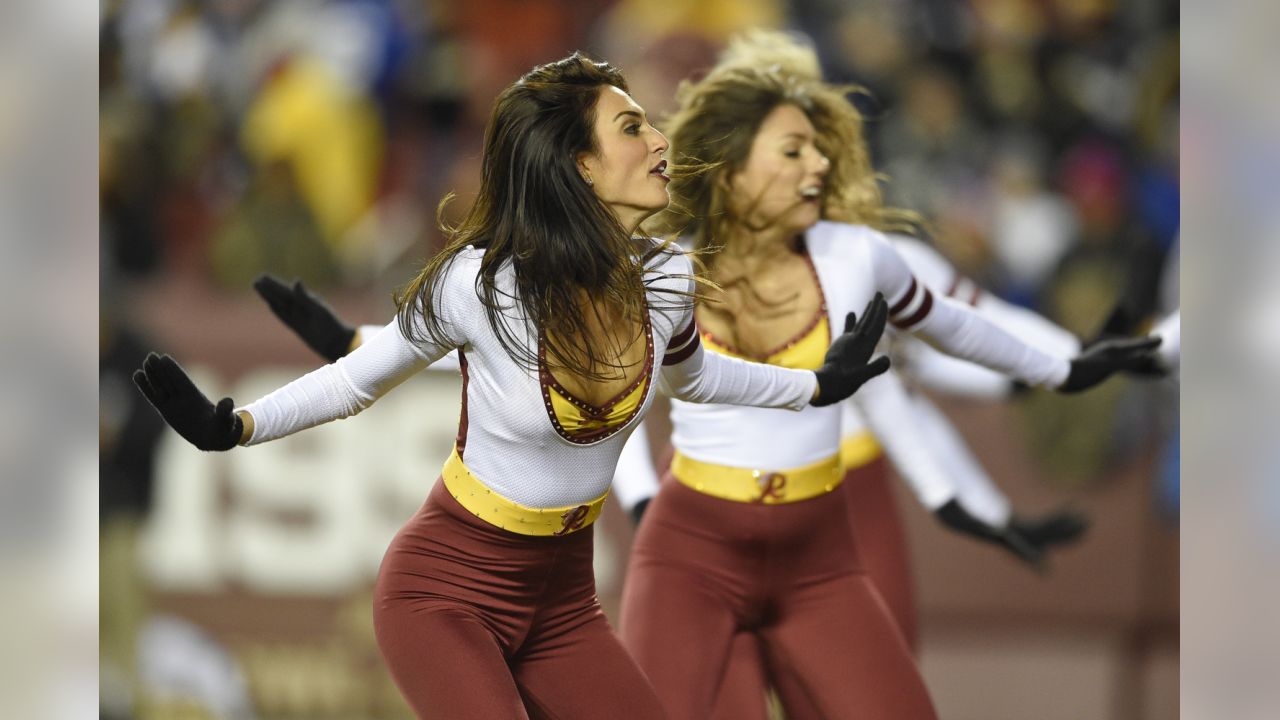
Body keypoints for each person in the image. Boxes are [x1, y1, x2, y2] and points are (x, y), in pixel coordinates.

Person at [131, 52, 896, 720]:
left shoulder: (665, 278)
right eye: (632, 128)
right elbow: (356, 382)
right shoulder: (481, 283)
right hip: (444, 597)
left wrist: (814, 386)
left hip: (563, 606)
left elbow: (698, 377)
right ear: (579, 165)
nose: (661, 141)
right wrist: (234, 429)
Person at [610, 46, 1157, 720]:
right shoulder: (661, 275)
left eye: (818, 144)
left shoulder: (858, 255)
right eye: (793, 149)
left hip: (820, 541)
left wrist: (1064, 367)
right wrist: (639, 502)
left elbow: (955, 328)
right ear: (728, 170)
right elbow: (608, 411)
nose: (820, 164)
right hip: (693, 544)